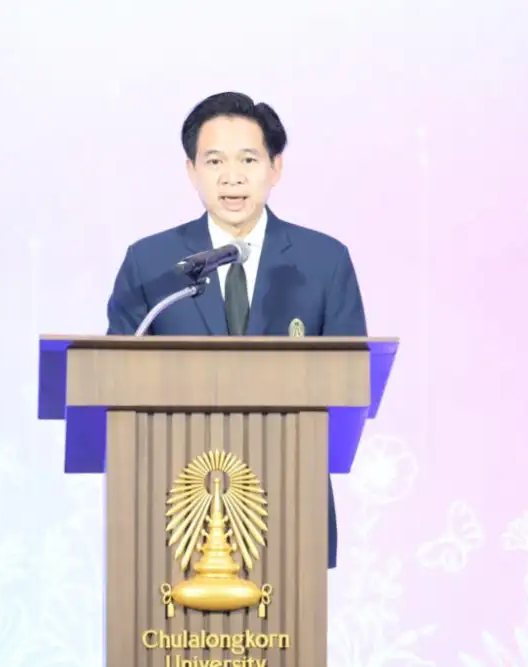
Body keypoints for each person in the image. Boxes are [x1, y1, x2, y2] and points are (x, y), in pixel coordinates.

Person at [106, 91, 368, 569]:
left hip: (292, 502)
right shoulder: (151, 263)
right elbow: (114, 382)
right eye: (214, 161)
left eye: (248, 159)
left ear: (275, 167)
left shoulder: (324, 262)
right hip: (172, 513)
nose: (232, 177)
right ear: (191, 170)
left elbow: (351, 386)